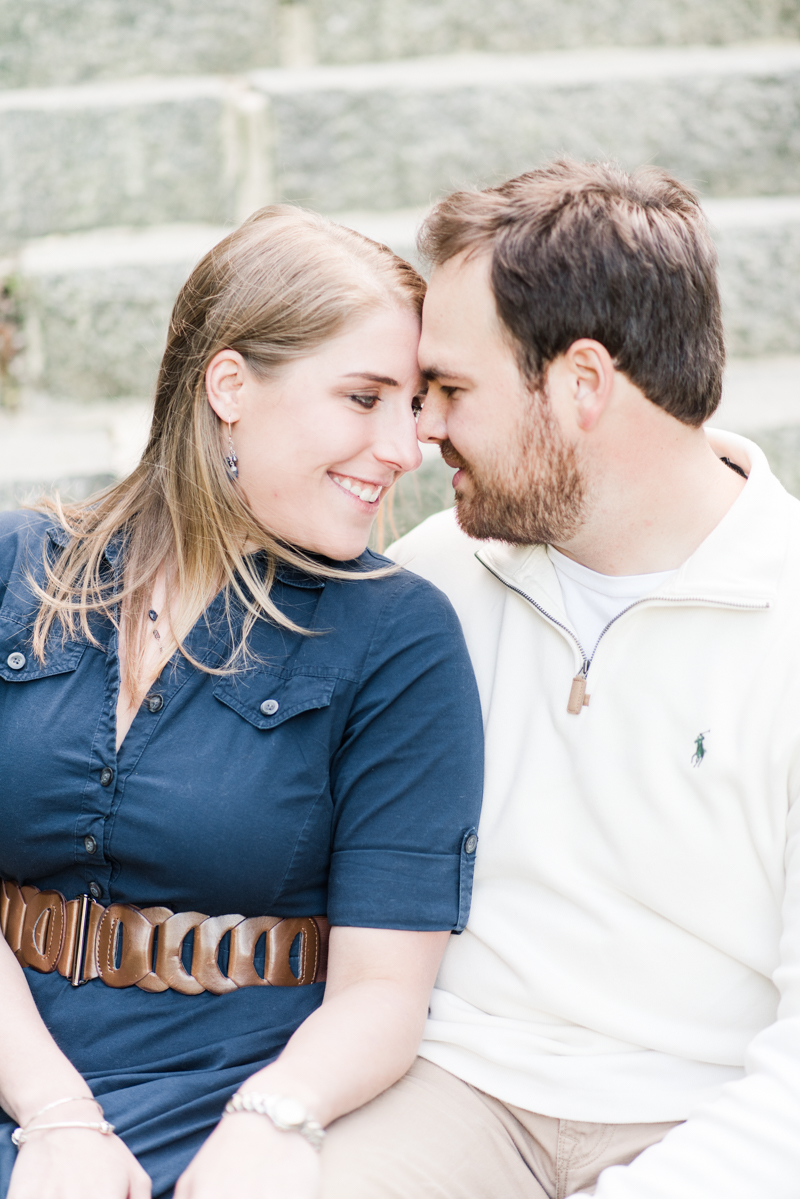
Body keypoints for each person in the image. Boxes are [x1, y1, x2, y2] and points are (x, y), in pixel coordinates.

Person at [319, 161, 800, 1198]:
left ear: (581, 382)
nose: (418, 435)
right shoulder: (431, 580)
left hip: (712, 1107)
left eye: (448, 389)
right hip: (452, 1089)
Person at [0, 206, 483, 1199]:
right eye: (363, 397)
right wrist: (53, 1115)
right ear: (230, 385)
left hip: (230, 1093)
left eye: (415, 403)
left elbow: (384, 988)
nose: (403, 446)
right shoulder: (18, 566)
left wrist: (271, 1119)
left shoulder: (397, 636)